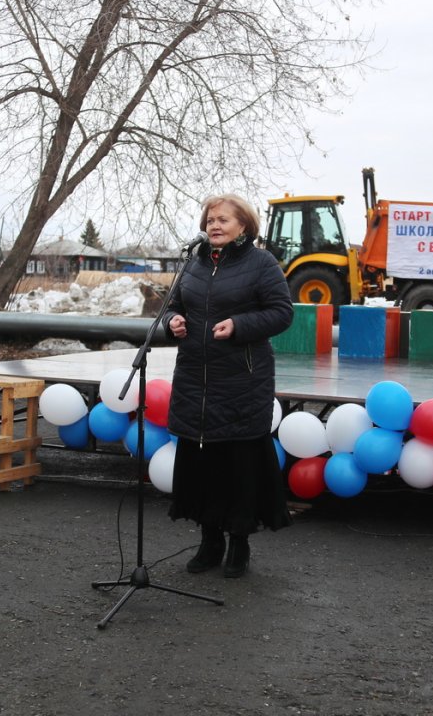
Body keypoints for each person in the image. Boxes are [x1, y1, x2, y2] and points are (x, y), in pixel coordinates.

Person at [164, 194, 294, 578]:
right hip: (195, 379)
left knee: (238, 465)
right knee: (202, 464)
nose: (214, 226)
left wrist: (239, 326)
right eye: (209, 220)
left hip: (241, 379)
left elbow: (282, 312)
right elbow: (174, 305)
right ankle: (209, 541)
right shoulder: (194, 262)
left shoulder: (261, 263)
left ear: (243, 225)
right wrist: (173, 321)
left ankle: (239, 541)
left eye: (222, 220)